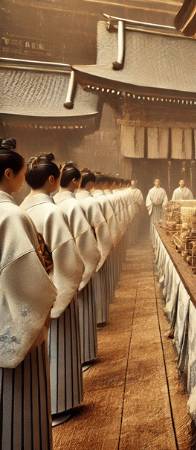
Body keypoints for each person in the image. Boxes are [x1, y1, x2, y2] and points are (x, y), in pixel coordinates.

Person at [0, 138, 58, 449]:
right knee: (20, 406)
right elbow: (25, 277)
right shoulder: (11, 216)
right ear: (9, 174)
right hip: (12, 314)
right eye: (21, 173)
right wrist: (45, 304)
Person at [20, 153, 86, 424]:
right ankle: (62, 401)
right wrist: (62, 290)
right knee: (61, 344)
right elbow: (69, 259)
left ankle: (47, 407)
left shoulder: (22, 209)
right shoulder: (53, 211)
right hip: (57, 286)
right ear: (52, 180)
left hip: (29, 290)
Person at [54, 163, 101, 366]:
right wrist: (89, 262)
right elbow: (87, 242)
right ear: (75, 181)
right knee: (77, 313)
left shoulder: (54, 202)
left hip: (55, 268)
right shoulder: (73, 205)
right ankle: (86, 353)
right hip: (76, 263)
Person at [76, 170, 112, 325]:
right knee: (93, 281)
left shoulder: (70, 201)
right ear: (90, 183)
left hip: (74, 250)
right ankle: (99, 317)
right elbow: (101, 227)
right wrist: (105, 247)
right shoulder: (92, 202)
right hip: (91, 244)